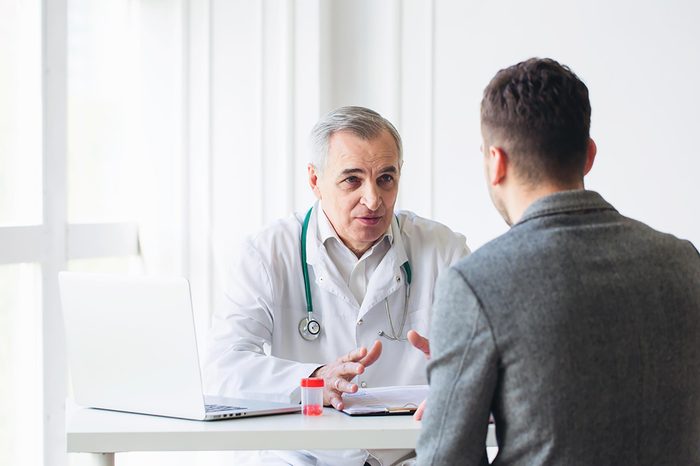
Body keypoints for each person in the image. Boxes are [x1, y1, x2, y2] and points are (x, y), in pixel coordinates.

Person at [415, 58, 700, 465]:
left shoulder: (476, 283)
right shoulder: (685, 263)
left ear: (496, 161)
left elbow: (444, 459)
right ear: (589, 155)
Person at [205, 106, 470, 465]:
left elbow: (485, 360)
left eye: (386, 179)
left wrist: (461, 372)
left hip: (410, 455)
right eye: (352, 180)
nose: (373, 199)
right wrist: (314, 380)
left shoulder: (443, 250)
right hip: (304, 456)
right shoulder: (266, 253)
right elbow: (222, 366)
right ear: (315, 180)